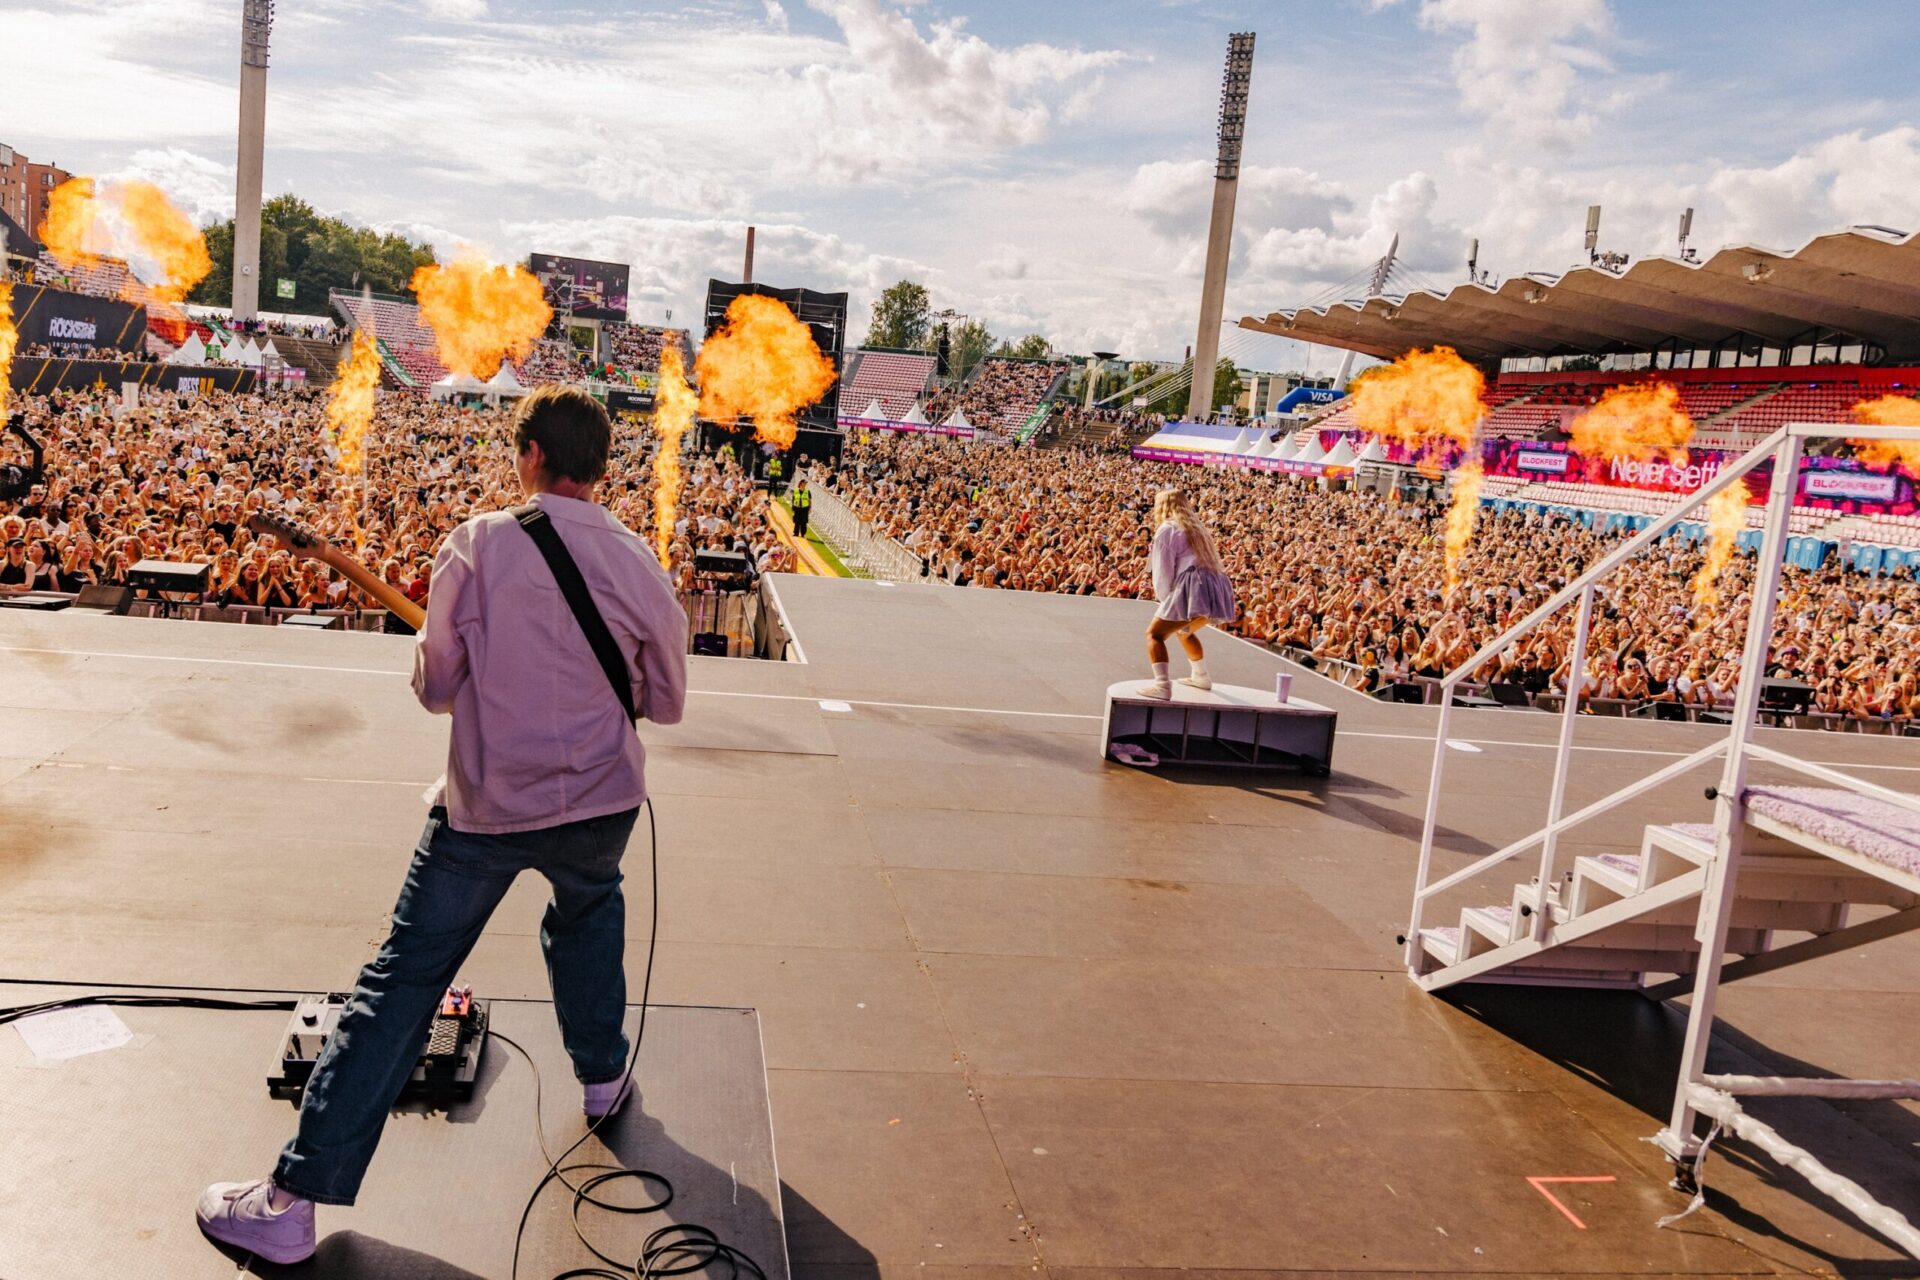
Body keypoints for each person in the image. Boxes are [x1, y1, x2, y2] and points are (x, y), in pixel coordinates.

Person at [196, 386, 690, 1265]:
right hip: (604, 803)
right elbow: (667, 701)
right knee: (587, 917)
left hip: (488, 807)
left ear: (531, 451)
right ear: (599, 463)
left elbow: (436, 688)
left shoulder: (479, 543)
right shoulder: (638, 560)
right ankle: (603, 1077)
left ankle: (293, 1200)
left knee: (403, 984)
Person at [1138, 487, 1238, 700]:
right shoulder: (1197, 529)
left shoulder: (1167, 529)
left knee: (1154, 635)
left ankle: (1162, 685)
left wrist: (1165, 600)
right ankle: (1200, 676)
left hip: (1192, 586)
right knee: (1184, 630)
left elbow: (1163, 571)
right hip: (1213, 585)